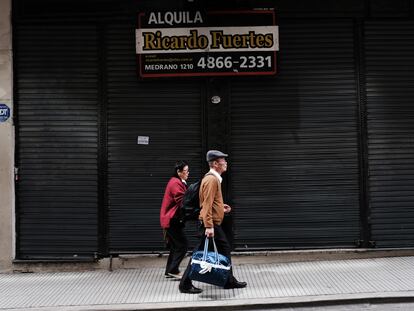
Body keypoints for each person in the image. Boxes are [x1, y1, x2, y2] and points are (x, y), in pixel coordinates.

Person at [179, 150, 247, 294]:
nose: (226, 163)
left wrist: (221, 208)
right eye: (223, 160)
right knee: (210, 251)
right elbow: (206, 204)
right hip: (210, 225)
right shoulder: (212, 179)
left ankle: (228, 280)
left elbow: (210, 202)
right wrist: (209, 226)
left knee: (220, 249)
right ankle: (185, 284)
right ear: (215, 164)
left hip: (211, 223)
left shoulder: (214, 179)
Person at [160, 160, 190, 279]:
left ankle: (169, 270)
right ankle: (173, 270)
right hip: (171, 219)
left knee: (175, 246)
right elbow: (183, 201)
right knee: (182, 245)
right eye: (186, 171)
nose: (188, 173)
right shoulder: (175, 183)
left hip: (170, 219)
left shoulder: (177, 182)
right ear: (179, 172)